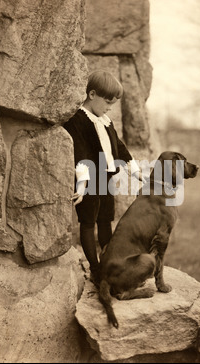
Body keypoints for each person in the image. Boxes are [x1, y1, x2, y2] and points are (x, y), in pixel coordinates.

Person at [64, 70, 144, 286]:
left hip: (106, 177)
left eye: (113, 103)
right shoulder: (78, 119)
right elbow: (79, 153)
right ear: (92, 94)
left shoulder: (106, 120)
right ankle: (95, 268)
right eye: (108, 102)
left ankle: (110, 264)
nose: (110, 107)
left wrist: (133, 169)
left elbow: (118, 146)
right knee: (88, 222)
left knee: (106, 219)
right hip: (89, 178)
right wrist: (81, 184)